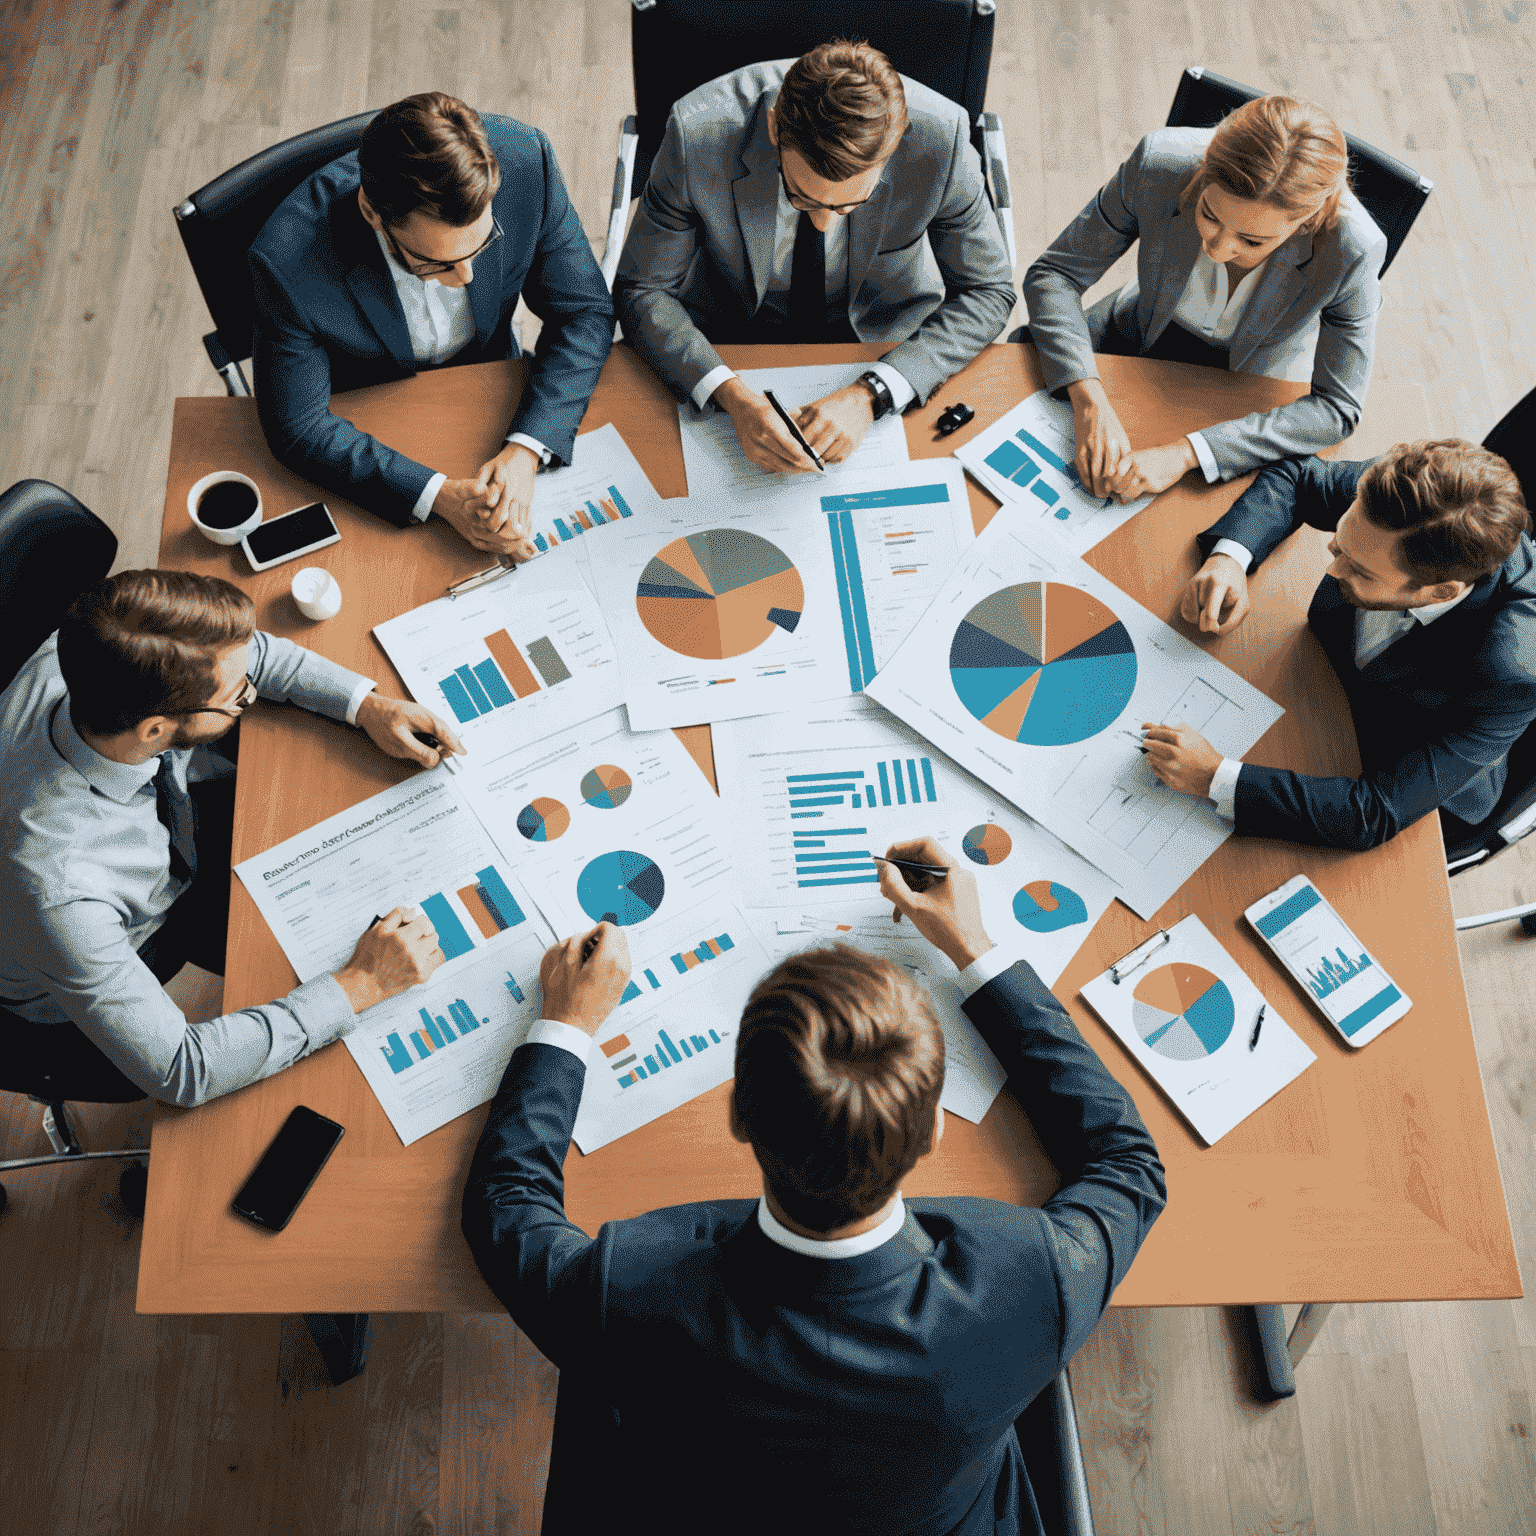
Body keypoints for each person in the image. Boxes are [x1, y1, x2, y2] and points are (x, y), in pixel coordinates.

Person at [461, 838, 1165, 1534]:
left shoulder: (630, 1289)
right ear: (932, 1136)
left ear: (738, 1115)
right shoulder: (1032, 1273)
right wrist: (976, 948)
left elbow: (505, 1207)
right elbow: (1127, 1164)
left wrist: (566, 1023)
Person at [0, 570, 464, 1107]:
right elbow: (183, 1069)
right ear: (154, 730)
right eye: (236, 696)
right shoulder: (61, 894)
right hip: (95, 962)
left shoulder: (86, 649)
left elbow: (247, 655)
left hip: (159, 845)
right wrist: (361, 986)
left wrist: (368, 706)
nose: (250, 689)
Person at [613, 41, 1016, 477]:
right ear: (773, 128)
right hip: (728, 338)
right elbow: (642, 289)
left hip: (886, 341)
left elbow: (988, 289)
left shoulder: (942, 137)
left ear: (897, 147)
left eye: (848, 206)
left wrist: (872, 393)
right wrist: (730, 394)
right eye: (801, 197)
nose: (823, 223)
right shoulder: (698, 135)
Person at [250, 92, 613, 562]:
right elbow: (297, 427)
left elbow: (583, 311)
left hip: (490, 390)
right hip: (370, 417)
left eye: (480, 248)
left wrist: (527, 449)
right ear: (373, 215)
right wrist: (438, 497)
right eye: (434, 263)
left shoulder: (529, 163)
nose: (466, 277)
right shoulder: (285, 262)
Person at [1145, 440, 1536, 850]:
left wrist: (1212, 777)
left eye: (1360, 571)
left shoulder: (1513, 672)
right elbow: (1298, 477)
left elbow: (1373, 814)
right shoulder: (1399, 504)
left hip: (1399, 762)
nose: (1332, 568)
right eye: (1338, 544)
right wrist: (1229, 559)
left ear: (1440, 593)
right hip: (1314, 672)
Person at [1022, 95, 1387, 503]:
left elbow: (1337, 408)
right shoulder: (1158, 164)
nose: (1218, 248)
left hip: (1247, 389)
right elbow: (1056, 273)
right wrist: (1089, 399)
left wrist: (1186, 454)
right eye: (1209, 214)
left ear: (1307, 220)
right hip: (1135, 336)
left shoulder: (1353, 248)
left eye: (1251, 240)